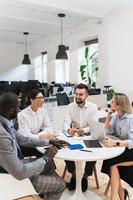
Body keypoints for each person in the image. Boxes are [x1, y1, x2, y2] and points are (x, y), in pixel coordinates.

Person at [0, 92, 68, 200]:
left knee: (50, 164)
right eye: (18, 107)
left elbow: (23, 139)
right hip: (14, 177)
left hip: (17, 165)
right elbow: (20, 172)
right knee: (61, 184)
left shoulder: (6, 123)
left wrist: (49, 141)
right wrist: (45, 157)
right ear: (11, 110)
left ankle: (46, 191)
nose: (19, 110)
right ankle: (50, 187)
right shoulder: (2, 135)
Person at [63, 83, 98, 192]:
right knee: (64, 148)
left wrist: (85, 130)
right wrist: (69, 129)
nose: (78, 97)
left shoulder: (93, 107)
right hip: (74, 136)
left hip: (88, 135)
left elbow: (94, 125)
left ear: (86, 95)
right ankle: (73, 175)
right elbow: (65, 123)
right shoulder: (70, 106)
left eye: (81, 94)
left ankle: (85, 177)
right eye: (76, 94)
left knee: (95, 150)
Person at [101, 93, 133, 200]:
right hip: (122, 149)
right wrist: (108, 116)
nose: (110, 103)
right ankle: (119, 195)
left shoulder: (131, 119)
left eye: (113, 102)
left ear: (119, 105)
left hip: (131, 151)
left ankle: (116, 196)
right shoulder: (116, 116)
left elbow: (132, 142)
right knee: (111, 161)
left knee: (111, 162)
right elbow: (107, 131)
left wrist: (116, 143)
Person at [18, 89, 54, 157]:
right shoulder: (22, 115)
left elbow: (48, 127)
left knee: (54, 147)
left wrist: (42, 135)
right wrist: (40, 136)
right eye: (39, 98)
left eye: (43, 98)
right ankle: (46, 165)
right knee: (46, 153)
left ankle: (50, 166)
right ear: (32, 100)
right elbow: (26, 135)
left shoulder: (43, 111)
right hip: (26, 144)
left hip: (37, 140)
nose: (42, 100)